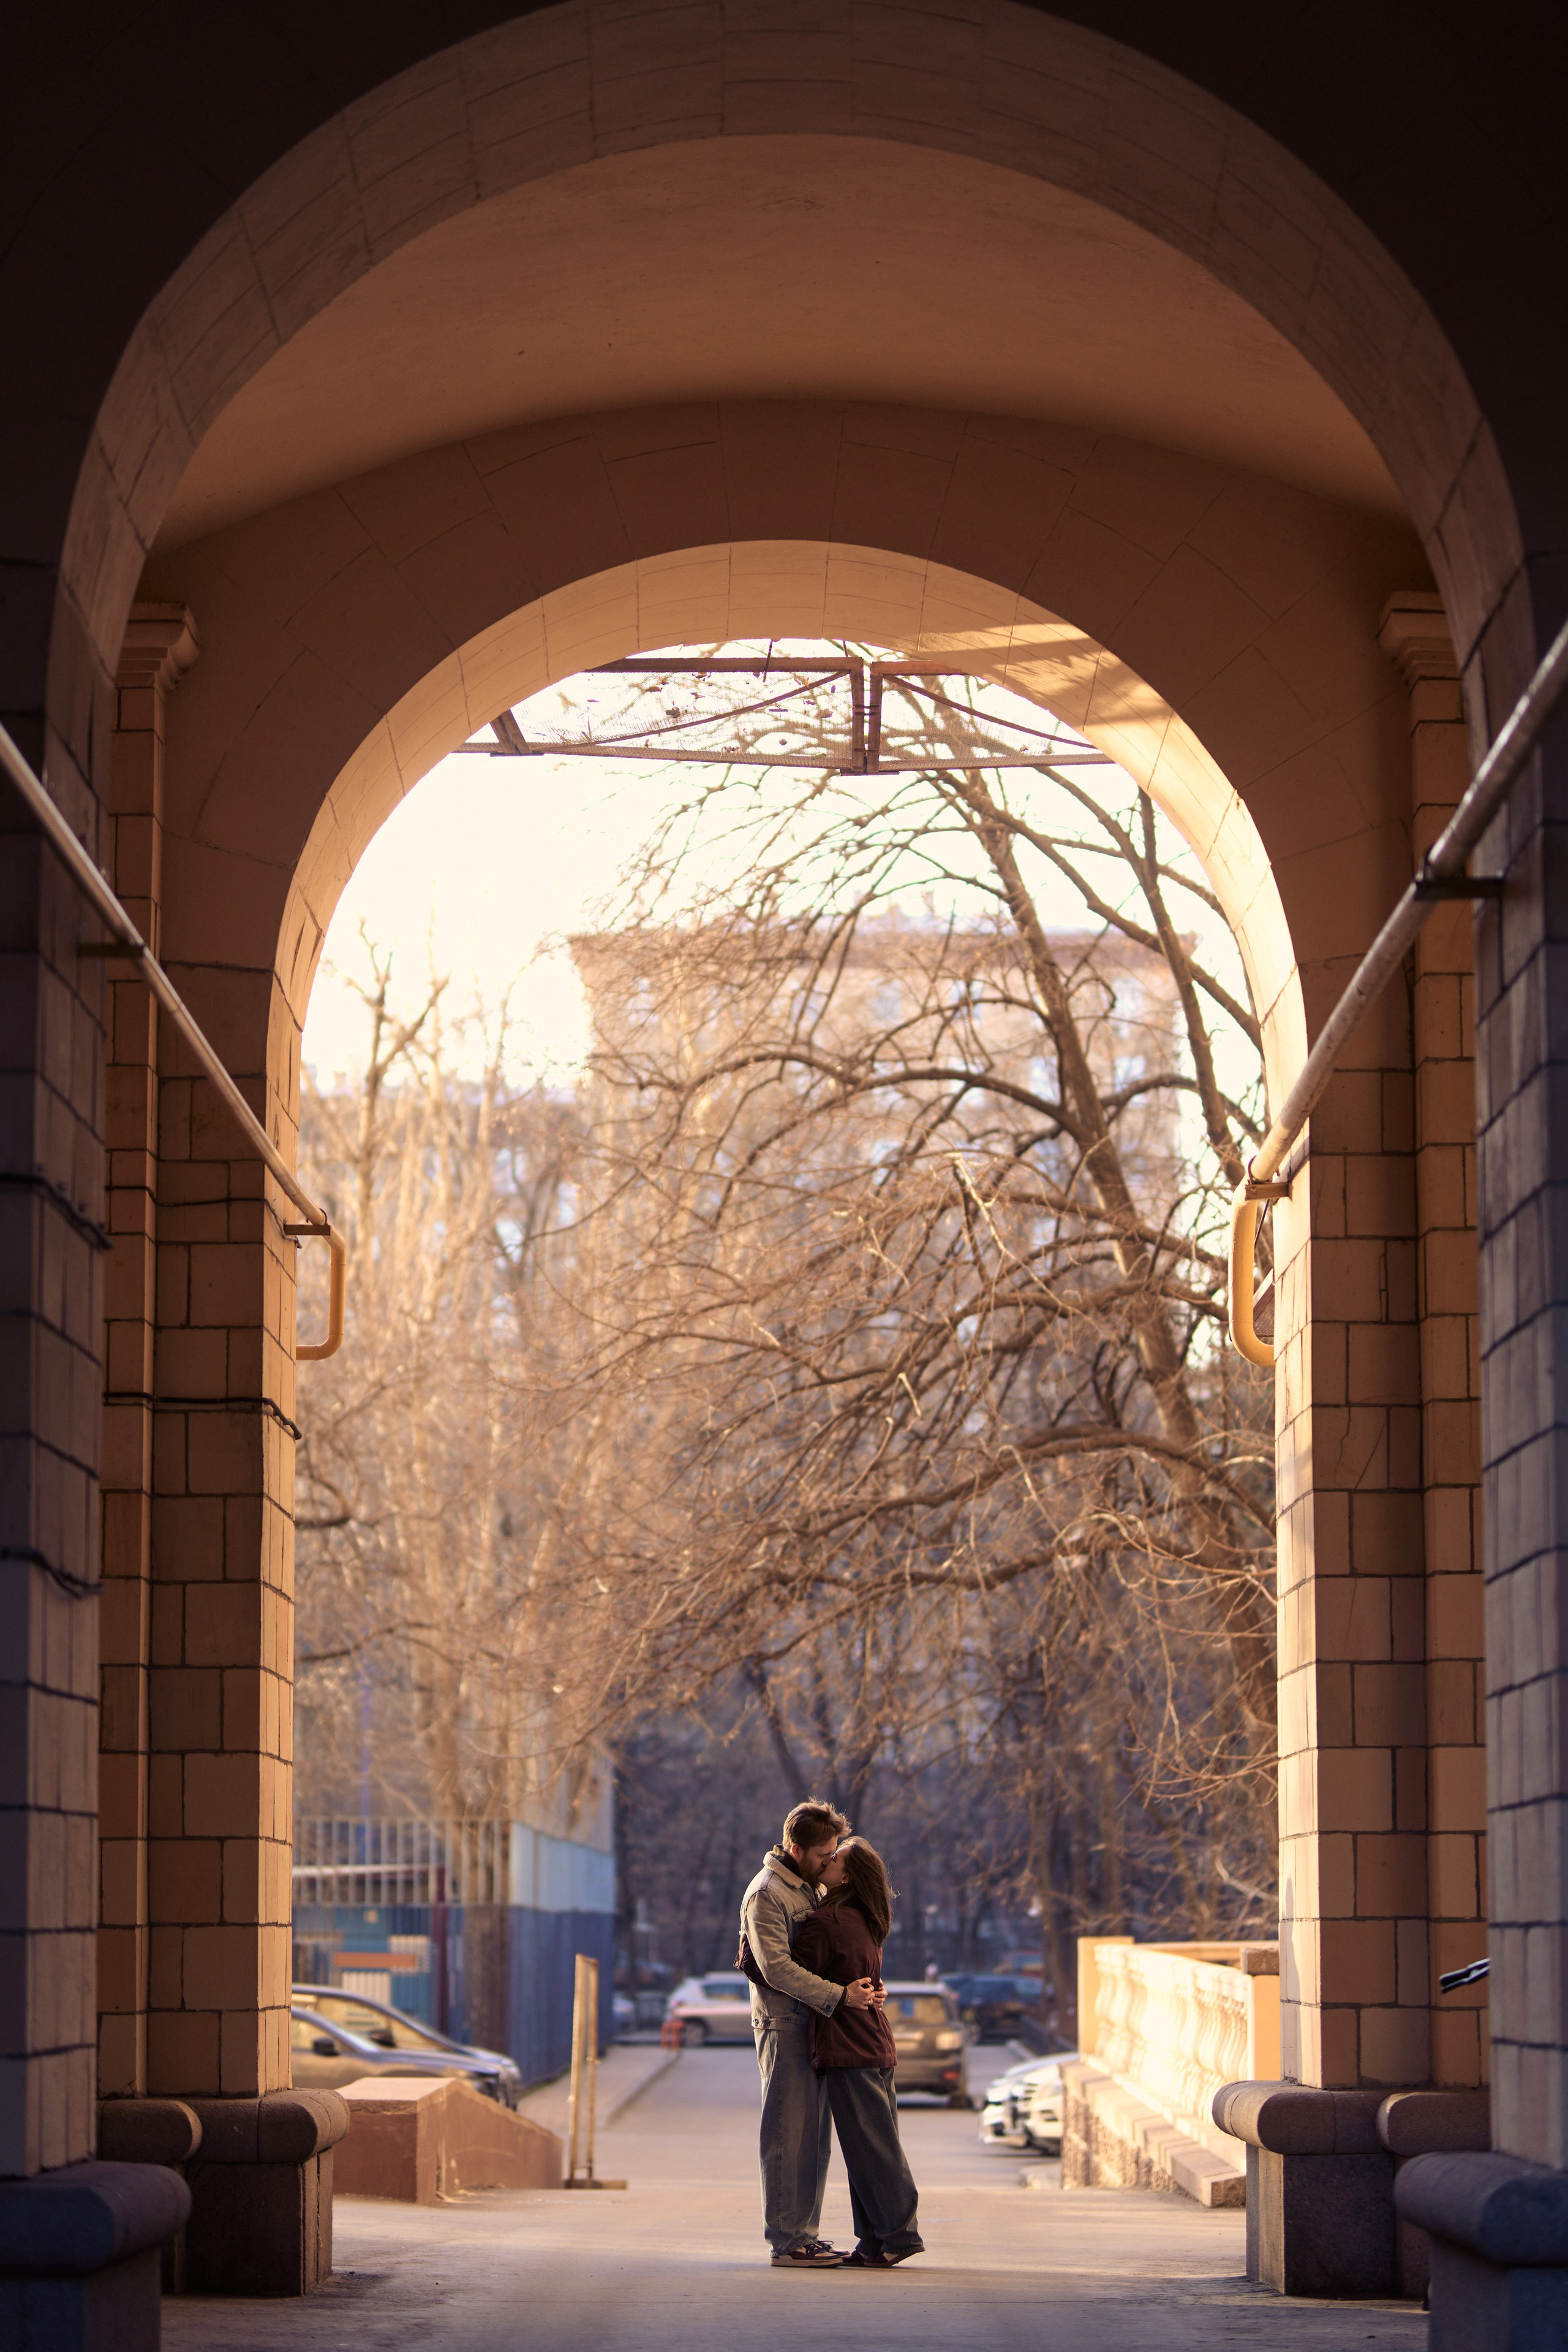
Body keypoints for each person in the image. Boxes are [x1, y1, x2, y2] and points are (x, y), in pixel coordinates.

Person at [740, 1800, 884, 2269]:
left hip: (818, 2026)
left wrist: (863, 1990)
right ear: (796, 1848)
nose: (830, 1860)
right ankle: (787, 2240)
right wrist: (841, 1996)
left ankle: (805, 2233)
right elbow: (776, 1968)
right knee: (788, 2134)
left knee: (814, 2138)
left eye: (834, 1852)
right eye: (824, 1853)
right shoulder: (767, 1894)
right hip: (786, 2025)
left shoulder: (808, 1889)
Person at [794, 1837, 924, 2269]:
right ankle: (873, 2241)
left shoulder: (827, 1922)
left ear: (846, 1876)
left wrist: (748, 1953)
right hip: (874, 2043)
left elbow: (784, 1970)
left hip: (849, 2047)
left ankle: (899, 2235)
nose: (828, 1861)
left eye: (836, 1859)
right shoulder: (865, 1920)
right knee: (868, 2147)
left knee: (872, 2149)